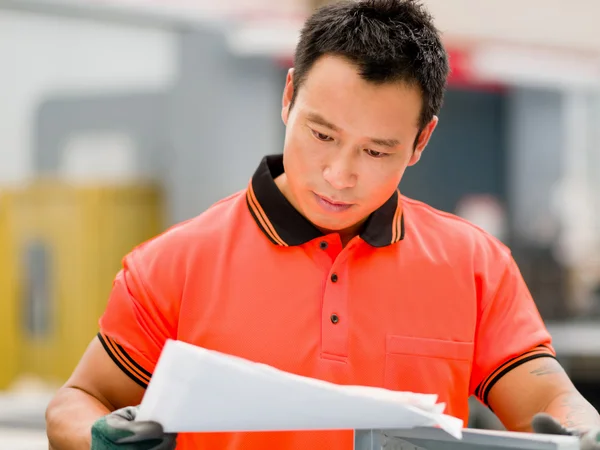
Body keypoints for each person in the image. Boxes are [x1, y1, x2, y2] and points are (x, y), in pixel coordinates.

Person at [45, 1, 600, 449]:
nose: (339, 174)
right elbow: (78, 402)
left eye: (376, 151)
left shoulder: (475, 265)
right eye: (322, 134)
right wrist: (97, 438)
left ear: (420, 142)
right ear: (289, 98)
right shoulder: (172, 264)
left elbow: (551, 401)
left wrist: (582, 428)